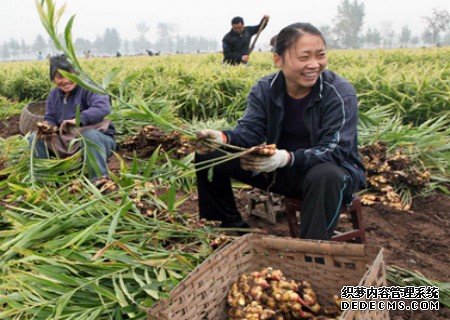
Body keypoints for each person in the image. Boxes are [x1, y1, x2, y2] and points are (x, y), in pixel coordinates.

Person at [196, 23, 365, 240]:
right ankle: (229, 225)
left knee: (326, 174)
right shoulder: (265, 88)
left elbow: (337, 149)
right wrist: (222, 137)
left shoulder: (339, 93)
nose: (314, 64)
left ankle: (312, 252)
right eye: (304, 57)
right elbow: (251, 132)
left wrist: (287, 157)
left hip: (329, 176)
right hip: (280, 170)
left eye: (320, 55)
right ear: (278, 60)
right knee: (210, 153)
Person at [29, 54, 116, 183]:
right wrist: (47, 126)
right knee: (35, 138)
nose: (65, 80)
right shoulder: (53, 95)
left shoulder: (89, 88)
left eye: (69, 75)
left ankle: (99, 180)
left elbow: (102, 108)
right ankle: (45, 180)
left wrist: (77, 120)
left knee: (90, 136)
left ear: (76, 73)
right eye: (59, 77)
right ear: (53, 79)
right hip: (67, 142)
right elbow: (50, 117)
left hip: (98, 142)